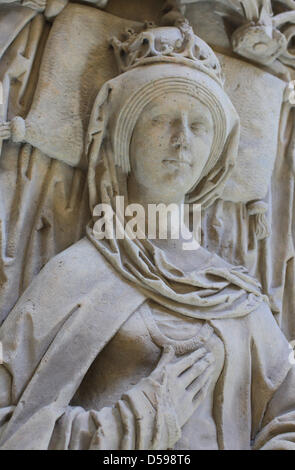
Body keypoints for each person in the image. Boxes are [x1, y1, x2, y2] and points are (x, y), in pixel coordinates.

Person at [0, 22, 295, 450]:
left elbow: (287, 415)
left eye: (199, 126)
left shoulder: (237, 298)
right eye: (161, 118)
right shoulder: (77, 274)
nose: (181, 141)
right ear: (124, 135)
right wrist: (129, 423)